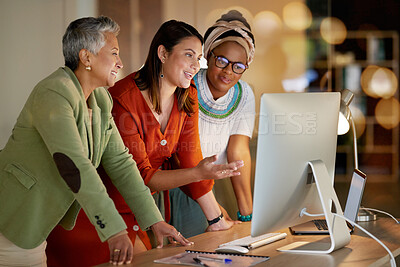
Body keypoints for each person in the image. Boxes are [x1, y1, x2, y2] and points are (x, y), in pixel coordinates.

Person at [0, 16, 192, 267]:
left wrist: (154, 220)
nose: (120, 63)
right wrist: (114, 230)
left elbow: (122, 163)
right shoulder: (54, 93)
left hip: (35, 225)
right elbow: (75, 165)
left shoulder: (101, 100)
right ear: (86, 57)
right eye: (114, 53)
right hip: (12, 217)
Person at [193, 10, 256, 222]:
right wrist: (213, 208)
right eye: (221, 61)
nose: (229, 71)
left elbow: (238, 150)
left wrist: (248, 214)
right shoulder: (188, 85)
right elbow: (182, 154)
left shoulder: (244, 93)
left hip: (214, 182)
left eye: (238, 67)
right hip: (181, 182)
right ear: (208, 55)